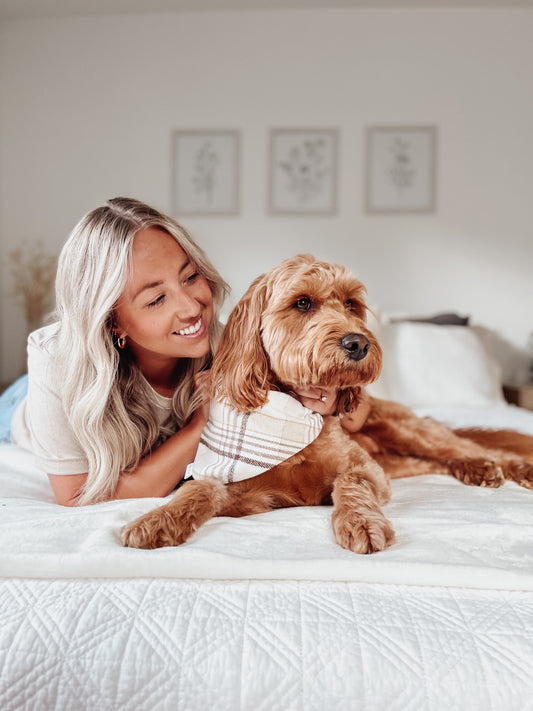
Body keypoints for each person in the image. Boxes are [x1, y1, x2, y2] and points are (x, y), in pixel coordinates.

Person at [11, 197, 229, 506]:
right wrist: (200, 427)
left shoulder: (227, 343)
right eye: (157, 299)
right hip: (22, 406)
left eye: (191, 277)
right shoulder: (54, 359)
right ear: (112, 322)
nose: (192, 308)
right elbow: (76, 498)